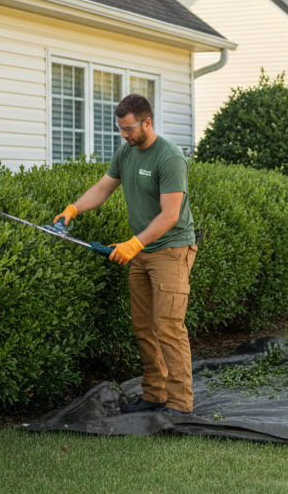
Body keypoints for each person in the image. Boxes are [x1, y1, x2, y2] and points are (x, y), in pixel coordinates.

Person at [54, 94, 198, 416]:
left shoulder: (170, 158)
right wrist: (73, 209)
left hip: (171, 251)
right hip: (142, 251)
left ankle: (179, 404)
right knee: (144, 327)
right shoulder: (126, 152)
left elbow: (170, 215)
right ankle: (154, 395)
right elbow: (104, 187)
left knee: (169, 327)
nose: (124, 135)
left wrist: (134, 244)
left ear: (147, 122)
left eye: (129, 128)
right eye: (120, 129)